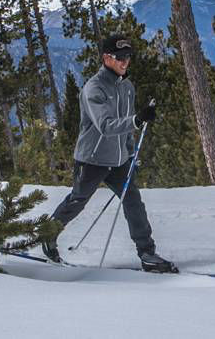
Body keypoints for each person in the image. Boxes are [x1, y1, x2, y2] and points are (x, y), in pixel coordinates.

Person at [41, 35, 174, 273]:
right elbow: (106, 125)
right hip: (92, 159)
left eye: (128, 57)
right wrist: (136, 120)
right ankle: (47, 235)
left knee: (134, 202)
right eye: (120, 57)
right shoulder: (94, 88)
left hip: (119, 160)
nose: (125, 62)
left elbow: (125, 133)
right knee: (77, 200)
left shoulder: (127, 87)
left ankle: (147, 253)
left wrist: (131, 155)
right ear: (106, 58)